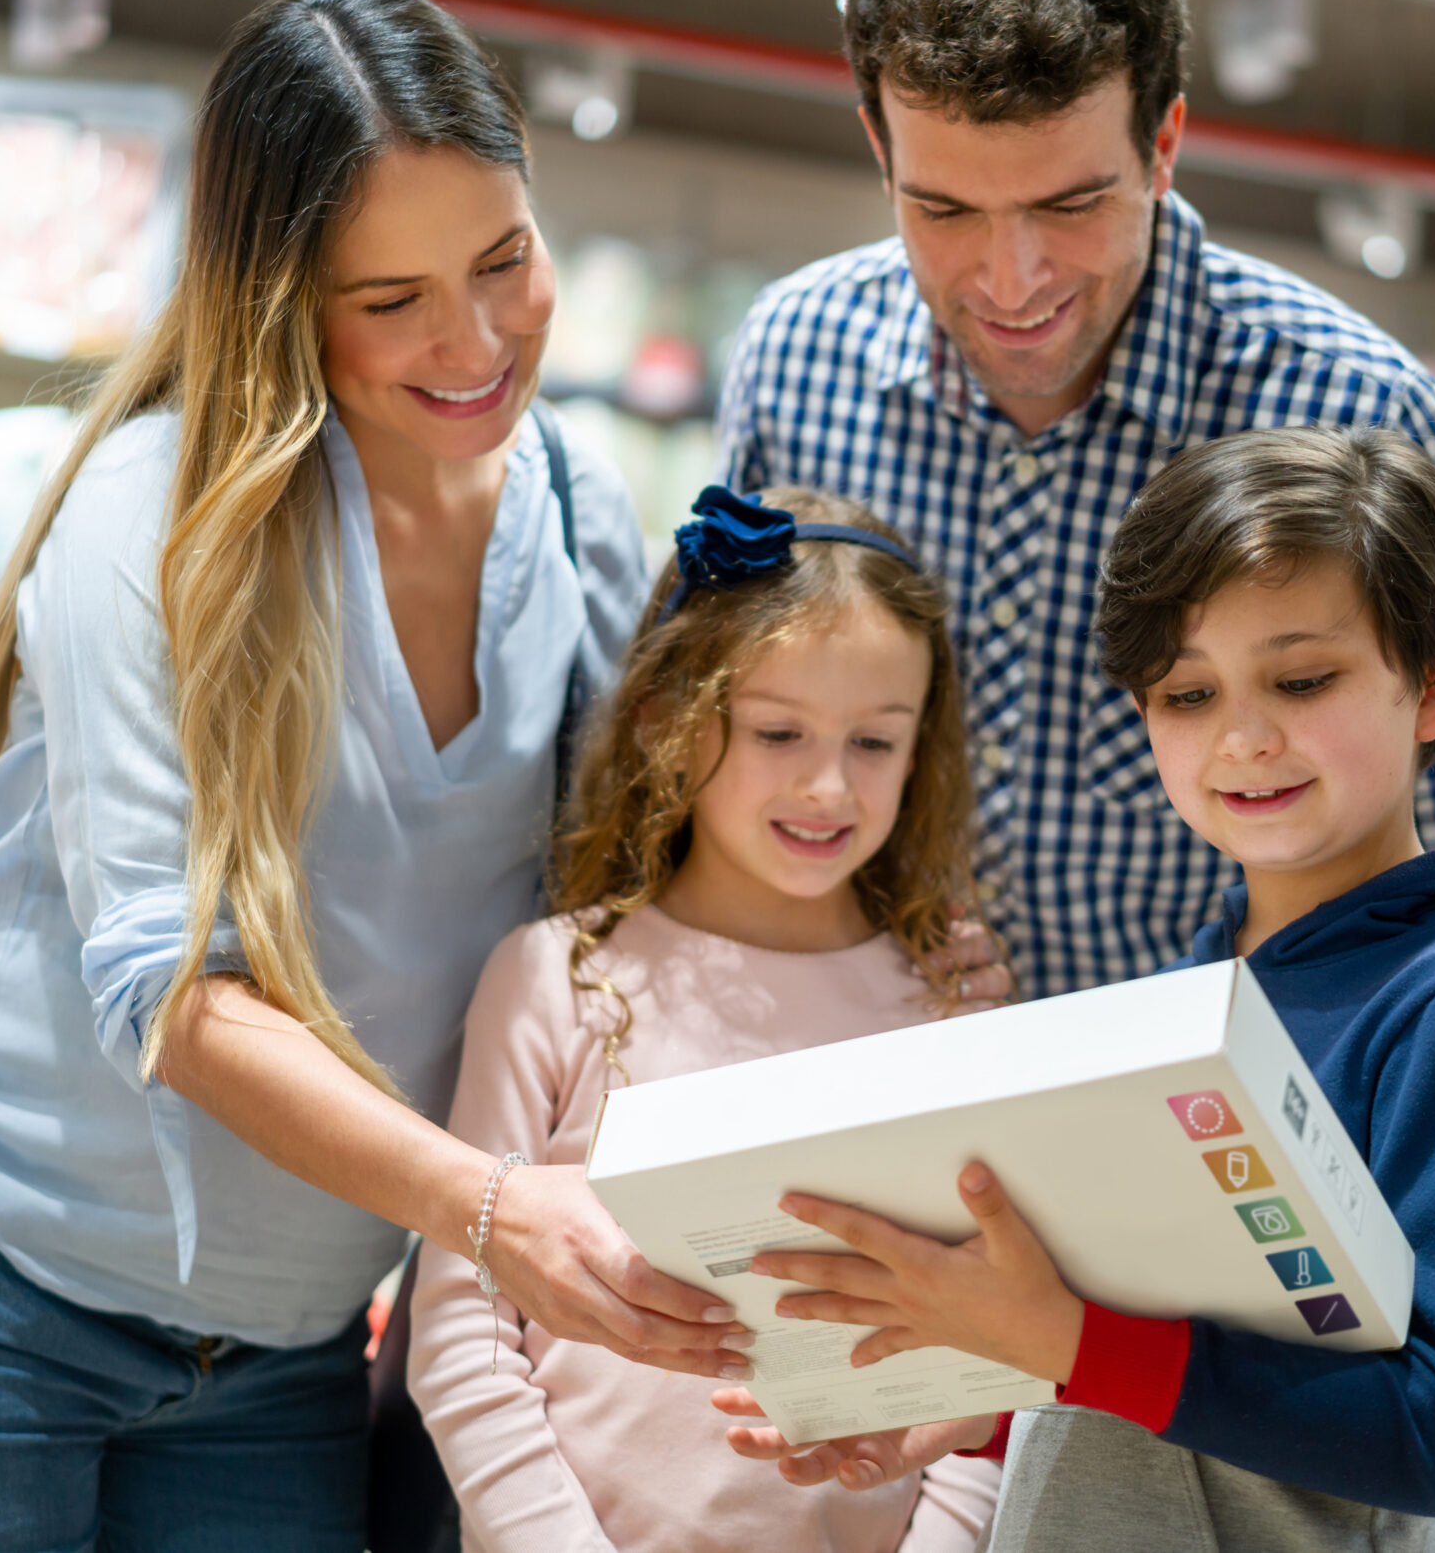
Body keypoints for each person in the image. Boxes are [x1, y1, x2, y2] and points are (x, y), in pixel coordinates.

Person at [0, 0, 751, 1553]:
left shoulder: (572, 506)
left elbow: (619, 904)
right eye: (392, 297)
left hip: (273, 1343)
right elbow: (175, 995)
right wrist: (488, 1208)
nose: (477, 340)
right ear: (281, 299)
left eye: (503, 259)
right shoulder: (159, 517)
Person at [715, 427, 1435, 1553]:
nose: (1243, 736)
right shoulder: (1196, 988)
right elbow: (1163, 1359)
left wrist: (1070, 1345)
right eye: (1186, 696)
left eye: (1302, 678)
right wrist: (969, 1402)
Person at [717, 0, 1435, 1000]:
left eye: (1070, 206)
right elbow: (712, 747)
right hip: (869, 1078)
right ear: (880, 149)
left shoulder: (1369, 420)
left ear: (1162, 145)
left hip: (1216, 1130)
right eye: (943, 210)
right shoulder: (793, 359)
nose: (1010, 280)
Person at [407, 485, 1002, 1552]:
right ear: (669, 724)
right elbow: (463, 1326)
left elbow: (998, 1352)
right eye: (779, 731)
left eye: (875, 741)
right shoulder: (557, 978)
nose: (828, 785)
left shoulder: (957, 1004)